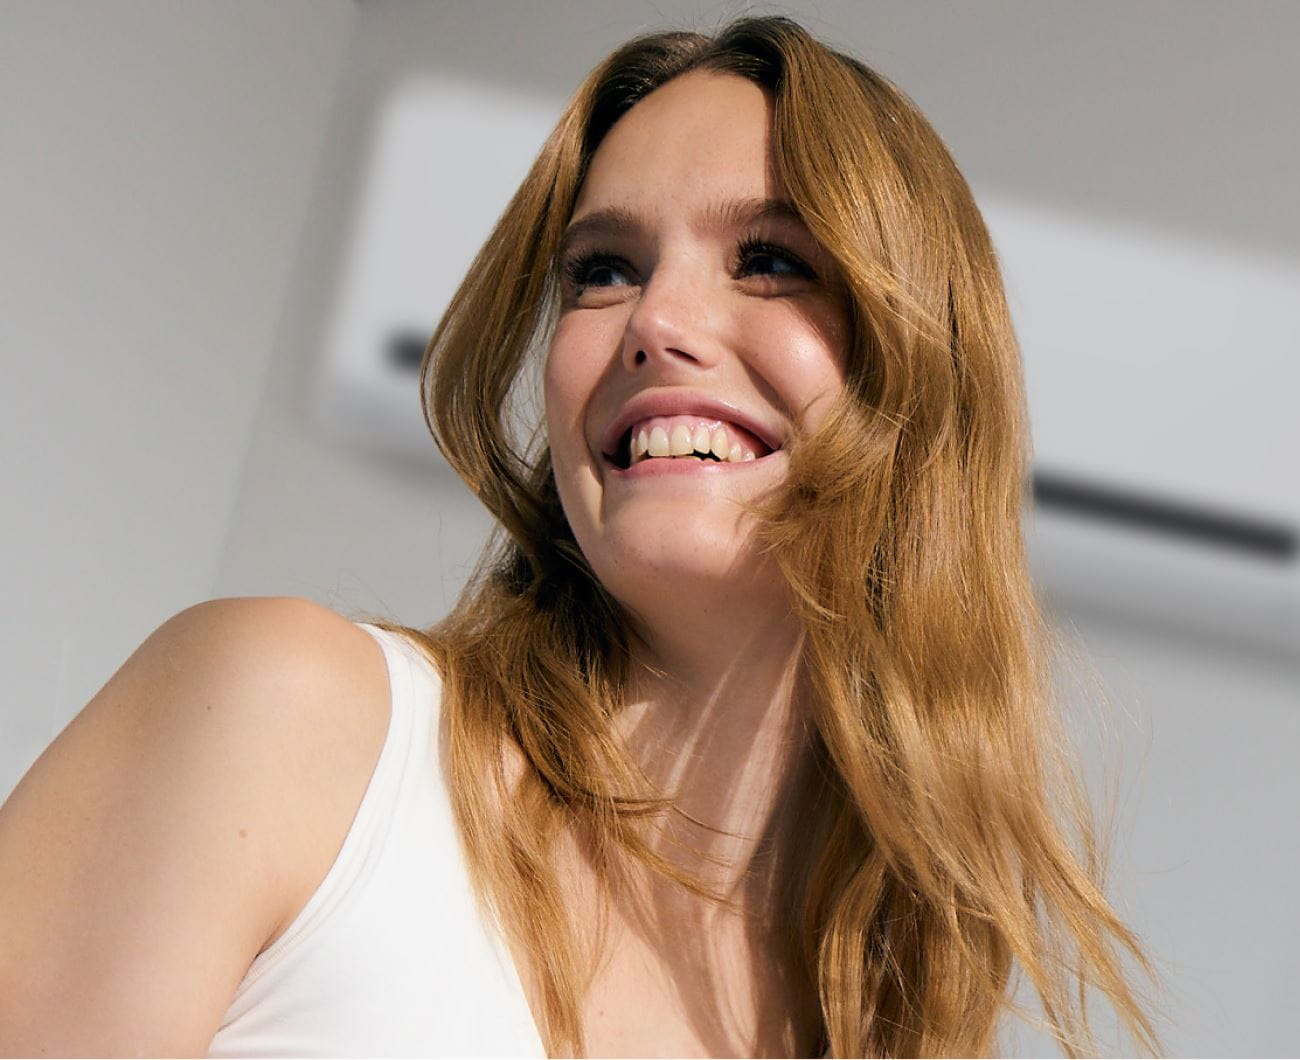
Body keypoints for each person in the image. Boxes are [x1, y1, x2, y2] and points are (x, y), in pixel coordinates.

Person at [0, 15, 1165, 1059]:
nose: (655, 321)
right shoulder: (290, 721)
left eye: (769, 260)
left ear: (924, 379)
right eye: (602, 270)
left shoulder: (877, 1021)